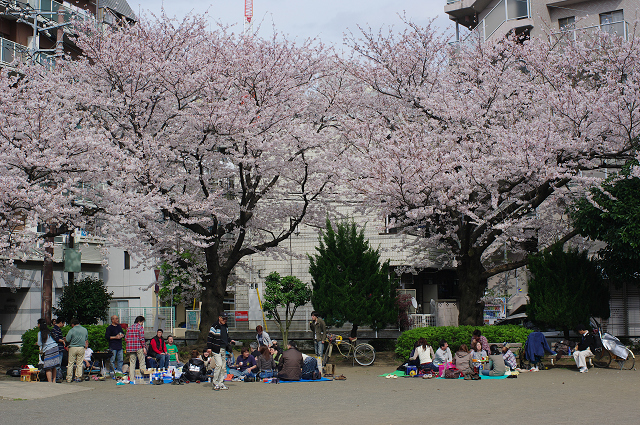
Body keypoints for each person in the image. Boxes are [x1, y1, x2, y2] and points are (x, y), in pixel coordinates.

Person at [207, 312, 236, 391]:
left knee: (223, 367)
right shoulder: (215, 326)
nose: (225, 320)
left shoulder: (226, 326)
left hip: (224, 348)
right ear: (219, 317)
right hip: (216, 349)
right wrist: (209, 348)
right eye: (223, 318)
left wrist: (230, 341)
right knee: (219, 365)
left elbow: (226, 337)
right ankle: (215, 382)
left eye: (226, 318)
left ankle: (221, 382)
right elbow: (210, 337)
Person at [36, 319, 62, 383]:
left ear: (40, 325)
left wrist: (37, 343)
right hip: (55, 348)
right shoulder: (49, 331)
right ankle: (54, 381)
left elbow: (39, 343)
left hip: (48, 349)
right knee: (54, 365)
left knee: (48, 366)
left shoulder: (40, 333)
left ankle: (49, 382)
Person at [125, 315, 147, 381]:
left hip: (131, 348)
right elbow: (142, 338)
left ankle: (131, 379)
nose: (142, 323)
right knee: (142, 362)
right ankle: (143, 378)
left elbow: (126, 338)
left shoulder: (129, 328)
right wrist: (144, 347)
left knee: (132, 363)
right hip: (139, 346)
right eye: (142, 322)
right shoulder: (140, 328)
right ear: (139, 321)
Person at [65, 318, 88, 383]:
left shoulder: (72, 330)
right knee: (79, 363)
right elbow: (86, 338)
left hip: (73, 347)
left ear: (73, 324)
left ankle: (69, 378)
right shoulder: (84, 330)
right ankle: (78, 377)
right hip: (81, 347)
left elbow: (68, 339)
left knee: (70, 363)